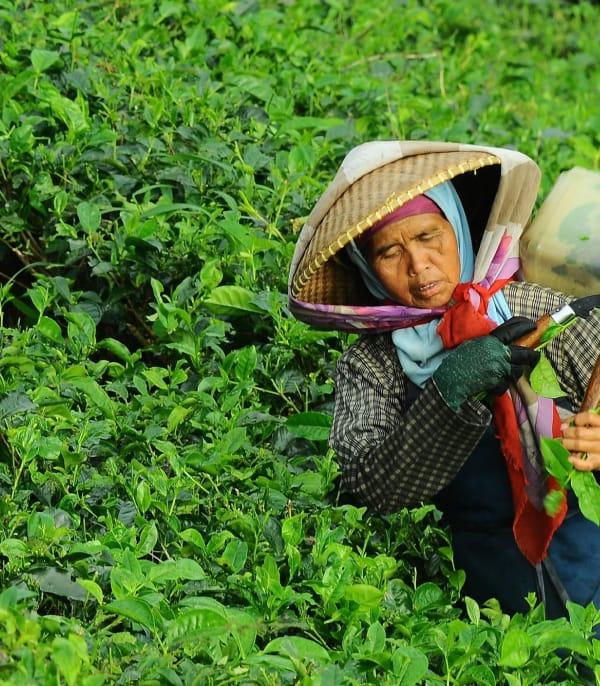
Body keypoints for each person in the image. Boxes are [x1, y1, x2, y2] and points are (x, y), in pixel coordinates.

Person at [288, 141, 600, 617]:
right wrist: (449, 390)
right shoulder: (373, 365)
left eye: (429, 236)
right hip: (493, 600)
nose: (418, 266)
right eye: (390, 252)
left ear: (457, 228)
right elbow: (372, 485)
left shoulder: (529, 309)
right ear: (367, 268)